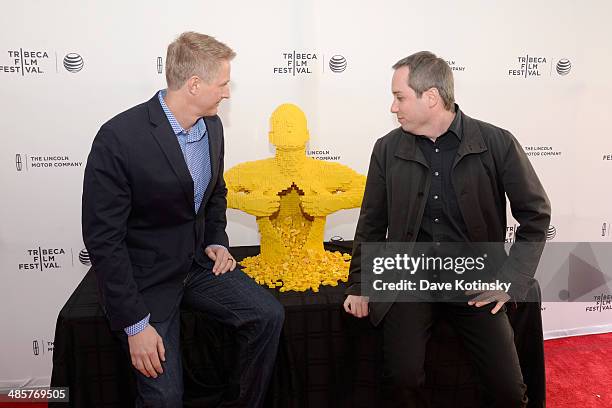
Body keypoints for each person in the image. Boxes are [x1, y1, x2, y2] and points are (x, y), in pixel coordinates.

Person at [82, 32, 284, 407]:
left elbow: (215, 195)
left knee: (268, 315)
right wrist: (135, 325)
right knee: (165, 397)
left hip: (196, 265)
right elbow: (103, 241)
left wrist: (216, 239)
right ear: (194, 84)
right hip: (146, 282)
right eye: (223, 84)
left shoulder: (212, 127)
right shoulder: (119, 138)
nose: (227, 93)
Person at [343, 51, 550, 407]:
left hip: (476, 279)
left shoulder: (496, 143)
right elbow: (372, 223)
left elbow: (536, 215)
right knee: (402, 377)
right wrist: (361, 284)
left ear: (432, 98)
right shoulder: (387, 149)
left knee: (508, 390)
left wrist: (510, 280)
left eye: (399, 97)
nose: (394, 107)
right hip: (409, 278)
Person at [224, 103, 366, 291]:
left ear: (307, 135)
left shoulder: (324, 171)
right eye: (282, 124)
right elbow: (213, 191)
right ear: (271, 137)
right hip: (270, 263)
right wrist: (244, 202)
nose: (289, 127)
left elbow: (369, 189)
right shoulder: (253, 172)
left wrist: (333, 202)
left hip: (314, 263)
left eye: (294, 124)